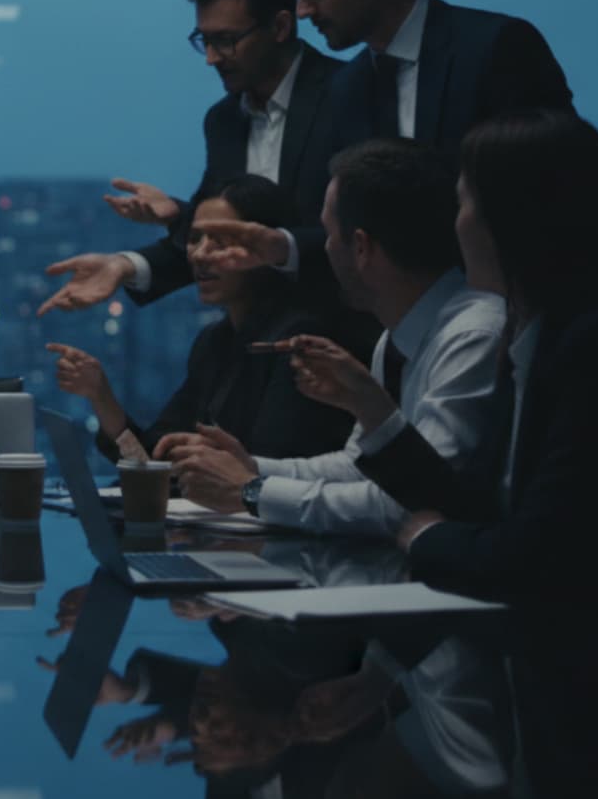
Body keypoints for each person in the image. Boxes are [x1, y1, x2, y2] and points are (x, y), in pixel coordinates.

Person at [363, 110, 598, 610]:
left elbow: (537, 552)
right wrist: (376, 416)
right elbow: (482, 504)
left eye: (464, 203)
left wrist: (430, 539)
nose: (456, 224)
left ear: (513, 219)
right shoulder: (540, 337)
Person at [193, 0, 575, 278]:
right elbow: (365, 233)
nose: (303, 10)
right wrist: (284, 247)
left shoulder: (495, 49)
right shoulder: (347, 86)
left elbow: (561, 193)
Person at [165, 139, 506, 538]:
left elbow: (414, 501)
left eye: (327, 235)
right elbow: (358, 465)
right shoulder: (397, 336)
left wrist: (253, 491)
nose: (323, 251)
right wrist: (250, 469)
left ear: (360, 247)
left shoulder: (471, 336)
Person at [36, 0, 343, 317]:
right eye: (204, 40)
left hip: (343, 327)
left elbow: (371, 233)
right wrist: (124, 265)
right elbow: (210, 244)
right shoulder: (223, 121)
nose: (211, 58)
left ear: (280, 27)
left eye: (226, 40)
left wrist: (280, 247)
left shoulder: (348, 93)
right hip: (254, 331)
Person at [44, 175, 349, 465]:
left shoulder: (299, 342)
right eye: (194, 238)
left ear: (265, 246)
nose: (200, 254)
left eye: (221, 240)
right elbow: (150, 463)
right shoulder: (214, 342)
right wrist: (100, 396)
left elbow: (262, 477)